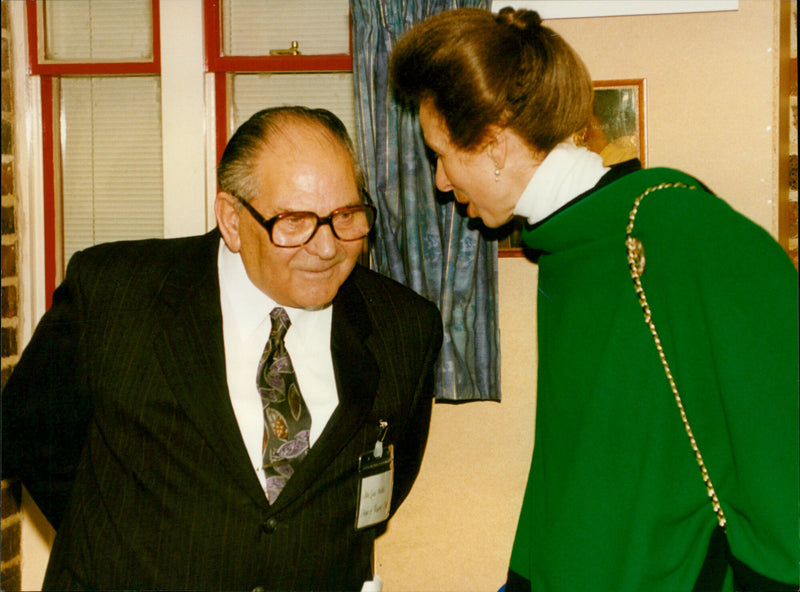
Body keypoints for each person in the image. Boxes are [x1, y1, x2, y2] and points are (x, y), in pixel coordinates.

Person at [390, 7, 798, 592]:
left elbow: (781, 437)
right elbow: (573, 461)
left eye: (441, 155)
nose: (439, 182)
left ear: (494, 143)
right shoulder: (568, 244)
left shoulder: (667, 226)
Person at [1, 106, 443, 591]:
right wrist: (124, 546)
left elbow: (383, 486)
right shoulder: (116, 295)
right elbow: (28, 437)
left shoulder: (404, 326)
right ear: (232, 220)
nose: (327, 247)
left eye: (347, 216)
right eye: (295, 221)